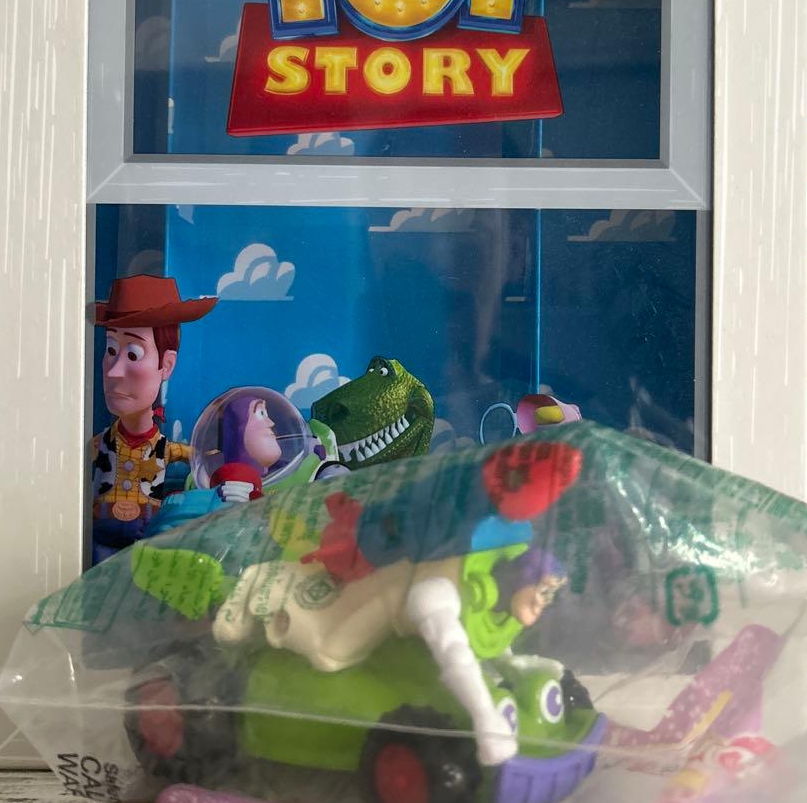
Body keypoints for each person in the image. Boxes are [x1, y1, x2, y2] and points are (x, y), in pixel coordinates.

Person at [211, 542, 567, 765]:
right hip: (385, 596)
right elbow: (454, 652)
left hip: (406, 593)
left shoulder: (496, 594)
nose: (543, 603)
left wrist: (514, 665)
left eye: (550, 595)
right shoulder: (441, 592)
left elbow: (483, 639)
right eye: (542, 591)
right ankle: (260, 581)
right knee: (328, 653)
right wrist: (485, 718)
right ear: (518, 578)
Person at [91, 275, 216, 563]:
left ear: (167, 365)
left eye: (133, 354)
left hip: (147, 542)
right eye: (111, 350)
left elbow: (199, 459)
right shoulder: (100, 445)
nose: (113, 371)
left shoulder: (166, 449)